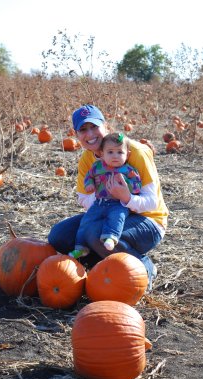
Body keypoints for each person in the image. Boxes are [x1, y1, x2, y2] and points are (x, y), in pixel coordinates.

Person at [48, 104, 169, 291]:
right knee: (59, 236)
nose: (90, 134)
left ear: (106, 127)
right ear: (77, 134)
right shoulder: (87, 160)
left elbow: (152, 203)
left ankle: (143, 266)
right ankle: (102, 262)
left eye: (94, 127)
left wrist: (126, 198)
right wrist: (106, 197)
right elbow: (83, 197)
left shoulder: (135, 152)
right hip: (105, 210)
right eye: (83, 130)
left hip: (148, 220)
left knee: (95, 232)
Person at [68, 132, 142, 259]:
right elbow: (89, 176)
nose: (115, 156)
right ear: (102, 154)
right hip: (100, 202)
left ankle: (111, 238)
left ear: (127, 154)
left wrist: (126, 189)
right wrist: (89, 184)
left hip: (118, 203)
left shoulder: (129, 170)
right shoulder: (97, 167)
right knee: (86, 221)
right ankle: (81, 247)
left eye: (120, 152)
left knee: (117, 218)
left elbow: (137, 186)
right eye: (110, 152)